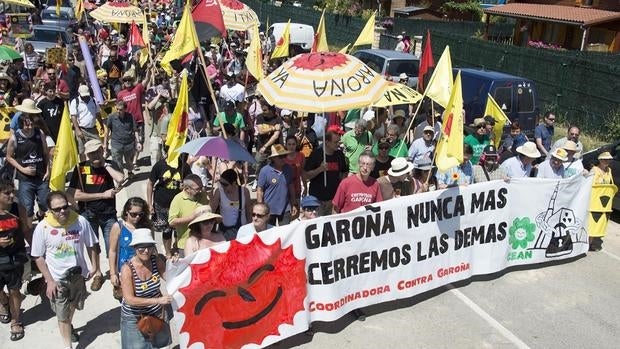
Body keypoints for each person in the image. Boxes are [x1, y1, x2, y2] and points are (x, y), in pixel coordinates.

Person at [31, 191, 102, 348]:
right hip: (58, 279)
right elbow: (38, 257)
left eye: (64, 207)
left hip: (77, 275)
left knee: (72, 307)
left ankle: (68, 326)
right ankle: (67, 345)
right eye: (57, 209)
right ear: (49, 210)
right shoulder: (43, 227)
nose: (62, 211)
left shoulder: (80, 221)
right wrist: (49, 280)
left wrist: (95, 266)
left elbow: (91, 244)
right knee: (62, 315)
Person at [68, 139, 124, 291]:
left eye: (97, 151)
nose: (95, 156)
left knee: (113, 245)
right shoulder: (81, 169)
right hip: (88, 213)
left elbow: (120, 179)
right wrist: (102, 195)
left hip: (108, 214)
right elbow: (74, 195)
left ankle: (115, 275)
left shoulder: (110, 164)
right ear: (87, 155)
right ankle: (97, 273)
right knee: (92, 246)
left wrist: (105, 165)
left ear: (102, 150)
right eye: (91, 153)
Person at [120, 229, 172, 348]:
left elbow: (170, 279)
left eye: (149, 246)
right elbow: (130, 299)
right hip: (134, 317)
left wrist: (175, 264)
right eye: (141, 247)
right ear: (134, 248)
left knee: (158, 345)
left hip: (156, 313)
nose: (146, 251)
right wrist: (158, 300)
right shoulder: (127, 269)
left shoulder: (156, 260)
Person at [5, 111, 49, 221]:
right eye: (26, 124)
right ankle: (29, 231)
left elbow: (45, 153)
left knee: (45, 203)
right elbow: (9, 157)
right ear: (21, 124)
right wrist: (23, 169)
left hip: (41, 175)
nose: (29, 127)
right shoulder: (15, 137)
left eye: (31, 124)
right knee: (27, 207)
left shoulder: (40, 133)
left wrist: (48, 170)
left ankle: (40, 214)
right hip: (25, 178)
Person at [108, 198, 153, 299]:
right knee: (128, 300)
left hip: (145, 269)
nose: (137, 217)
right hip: (125, 271)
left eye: (140, 214)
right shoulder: (118, 227)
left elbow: (152, 248)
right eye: (133, 214)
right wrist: (113, 274)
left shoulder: (147, 227)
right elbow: (112, 251)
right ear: (126, 212)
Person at [0, 181, 28, 342]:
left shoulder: (18, 209)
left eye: (13, 192)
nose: (12, 195)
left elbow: (26, 229)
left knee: (15, 291)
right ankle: (3, 302)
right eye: (7, 193)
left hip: (14, 258)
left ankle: (16, 321)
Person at [147, 156, 191, 258]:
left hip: (179, 205)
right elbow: (150, 184)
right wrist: (149, 204)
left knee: (178, 229)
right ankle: (168, 252)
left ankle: (176, 246)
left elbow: (190, 183)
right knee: (166, 230)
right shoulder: (160, 165)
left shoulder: (184, 166)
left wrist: (185, 186)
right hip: (161, 204)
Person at [303, 131, 348, 216]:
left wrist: (341, 186)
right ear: (327, 142)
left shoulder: (339, 154)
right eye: (335, 142)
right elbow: (305, 176)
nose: (338, 144)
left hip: (333, 198)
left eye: (339, 141)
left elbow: (344, 172)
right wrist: (319, 169)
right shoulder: (316, 154)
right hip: (317, 199)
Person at [168, 174, 209, 257]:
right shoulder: (178, 199)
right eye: (198, 189)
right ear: (187, 189)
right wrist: (192, 217)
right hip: (185, 244)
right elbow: (171, 222)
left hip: (204, 241)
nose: (201, 191)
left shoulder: (203, 195)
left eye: (202, 187)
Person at [257, 144, 298, 225]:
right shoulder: (264, 171)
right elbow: (260, 190)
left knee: (284, 234)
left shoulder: (288, 169)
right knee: (269, 235)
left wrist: (294, 203)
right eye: (280, 156)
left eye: (284, 155)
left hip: (285, 209)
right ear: (273, 158)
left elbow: (291, 187)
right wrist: (260, 208)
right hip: (268, 210)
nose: (283, 158)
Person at [209, 169, 251, 240]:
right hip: (224, 231)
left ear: (234, 183)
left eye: (225, 184)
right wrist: (211, 199)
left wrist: (250, 228)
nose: (222, 186)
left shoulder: (244, 191)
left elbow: (248, 211)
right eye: (221, 183)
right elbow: (211, 211)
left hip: (241, 231)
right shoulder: (219, 192)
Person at [104, 100, 141, 178]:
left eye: (120, 110)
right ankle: (120, 177)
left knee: (129, 161)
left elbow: (135, 130)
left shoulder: (130, 116)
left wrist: (138, 142)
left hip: (129, 144)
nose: (118, 111)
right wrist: (105, 144)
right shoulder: (111, 117)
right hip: (116, 144)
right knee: (117, 162)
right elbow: (107, 131)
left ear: (125, 109)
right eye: (117, 109)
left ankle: (130, 172)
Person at [589, 151, 616, 251]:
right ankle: (587, 243)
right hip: (594, 200)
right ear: (600, 160)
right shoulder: (594, 170)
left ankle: (592, 243)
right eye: (605, 159)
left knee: (599, 222)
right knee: (592, 222)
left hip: (604, 202)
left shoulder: (609, 170)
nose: (607, 161)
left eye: (608, 160)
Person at [69, 85, 102, 159]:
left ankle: (99, 166)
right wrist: (77, 130)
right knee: (82, 151)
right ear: (79, 93)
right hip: (82, 129)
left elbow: (98, 114)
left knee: (98, 147)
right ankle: (84, 169)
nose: (85, 97)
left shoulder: (93, 100)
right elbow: (73, 116)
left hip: (93, 129)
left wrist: (101, 125)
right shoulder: (75, 102)